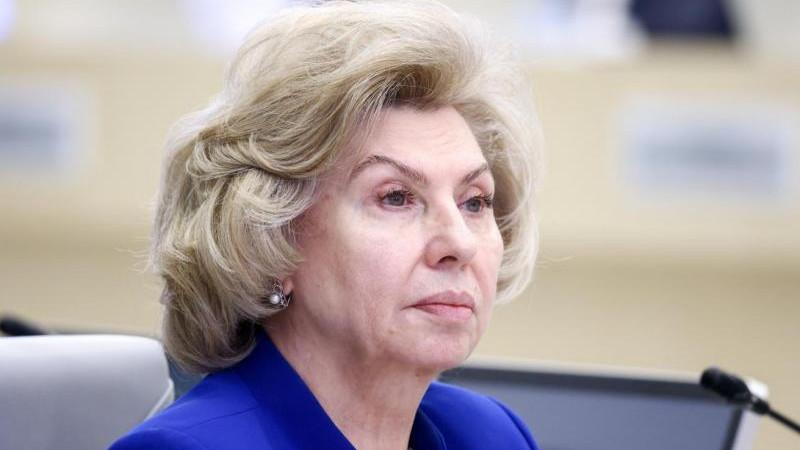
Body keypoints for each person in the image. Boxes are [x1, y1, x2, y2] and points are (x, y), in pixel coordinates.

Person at [110, 1, 542, 449]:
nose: (459, 243)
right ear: (270, 237)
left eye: (474, 202)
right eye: (396, 197)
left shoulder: (490, 434)